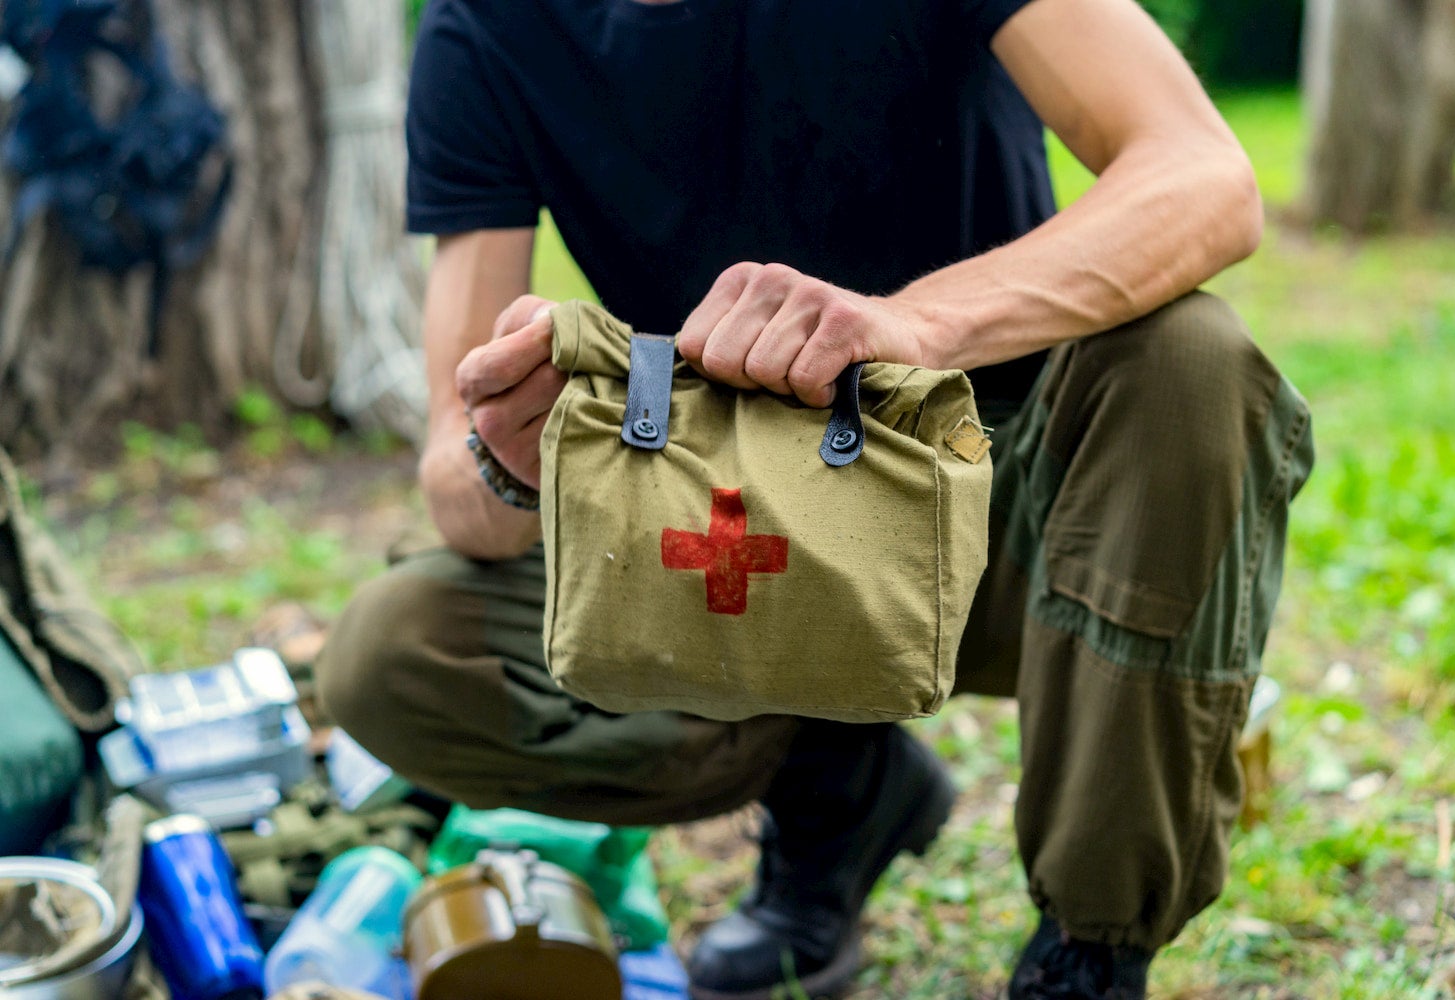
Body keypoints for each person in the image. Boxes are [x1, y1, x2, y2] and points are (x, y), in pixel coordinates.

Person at [315, 0, 1315, 996]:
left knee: (1192, 362)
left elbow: (1204, 176)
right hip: (734, 541)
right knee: (398, 650)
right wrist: (512, 458)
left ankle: (1090, 951)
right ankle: (837, 790)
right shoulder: (487, 28)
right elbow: (457, 455)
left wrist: (910, 327)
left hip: (1013, 518)